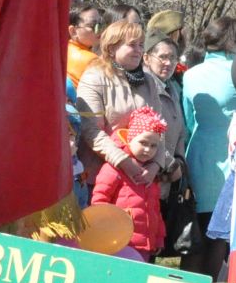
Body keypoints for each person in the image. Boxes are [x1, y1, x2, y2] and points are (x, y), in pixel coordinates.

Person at [75, 18, 186, 190]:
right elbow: (92, 131)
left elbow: (158, 128)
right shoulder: (94, 78)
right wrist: (124, 161)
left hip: (141, 179)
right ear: (112, 48)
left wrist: (155, 165)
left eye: (141, 45)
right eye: (132, 45)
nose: (138, 51)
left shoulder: (148, 81)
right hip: (101, 179)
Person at [179, 17, 236, 275]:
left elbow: (188, 120)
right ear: (232, 40)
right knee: (218, 232)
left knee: (196, 229)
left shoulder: (191, 74)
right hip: (229, 151)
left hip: (198, 151)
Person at [91, 107, 170, 256]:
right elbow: (100, 200)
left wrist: (158, 239)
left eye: (153, 146)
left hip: (145, 245)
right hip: (119, 241)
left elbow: (155, 211)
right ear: (130, 138)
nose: (147, 150)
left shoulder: (150, 176)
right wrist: (104, 230)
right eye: (143, 143)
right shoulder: (114, 169)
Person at [66, 6, 103, 87]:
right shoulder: (92, 60)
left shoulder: (62, 51)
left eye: (100, 24)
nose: (99, 29)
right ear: (73, 31)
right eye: (93, 25)